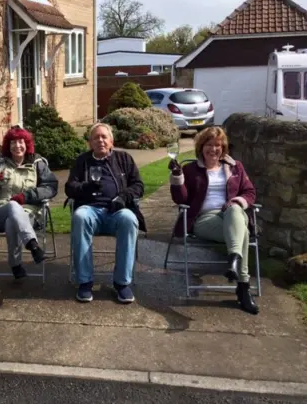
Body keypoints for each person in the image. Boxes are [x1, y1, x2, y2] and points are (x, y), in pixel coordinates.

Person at [168, 126, 259, 315]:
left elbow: (249, 192)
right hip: (204, 220)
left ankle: (234, 261)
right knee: (241, 231)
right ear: (201, 147)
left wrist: (237, 201)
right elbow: (181, 200)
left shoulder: (236, 167)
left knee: (235, 210)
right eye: (209, 144)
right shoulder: (191, 170)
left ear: (223, 148)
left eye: (218, 145)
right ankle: (243, 286)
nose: (213, 149)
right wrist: (177, 176)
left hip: (230, 216)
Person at [65, 123, 146, 304]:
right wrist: (86, 187)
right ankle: (85, 282)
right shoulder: (82, 161)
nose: (100, 140)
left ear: (111, 141)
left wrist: (123, 198)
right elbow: (70, 188)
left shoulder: (124, 158)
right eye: (96, 137)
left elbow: (138, 186)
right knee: (79, 216)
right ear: (90, 143)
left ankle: (122, 283)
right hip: (90, 211)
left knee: (129, 219)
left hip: (117, 211)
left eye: (104, 137)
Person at [0, 126, 58, 279]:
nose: (17, 146)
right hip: (0, 211)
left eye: (20, 142)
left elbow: (50, 187)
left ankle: (16, 266)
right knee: (13, 206)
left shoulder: (38, 163)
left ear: (27, 144)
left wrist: (26, 197)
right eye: (13, 142)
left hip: (30, 213)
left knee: (12, 222)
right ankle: (33, 245)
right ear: (8, 146)